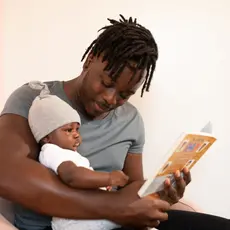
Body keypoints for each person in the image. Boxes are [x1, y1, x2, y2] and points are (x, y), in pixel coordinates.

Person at [0, 14, 229, 230]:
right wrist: (115, 206)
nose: (111, 99)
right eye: (107, 83)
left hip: (111, 223)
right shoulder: (36, 99)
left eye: (124, 94)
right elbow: (7, 173)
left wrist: (162, 193)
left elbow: (132, 189)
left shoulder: (131, 120)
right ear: (90, 60)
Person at [28, 82, 128, 230]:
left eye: (77, 129)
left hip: (81, 215)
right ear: (46, 137)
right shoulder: (51, 151)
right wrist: (108, 177)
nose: (76, 135)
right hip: (73, 221)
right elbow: (72, 176)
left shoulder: (66, 152)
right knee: (130, 216)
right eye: (68, 130)